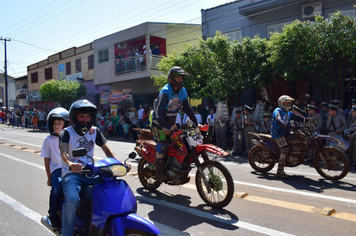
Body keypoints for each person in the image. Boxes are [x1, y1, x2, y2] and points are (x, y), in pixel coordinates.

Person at [59, 99, 128, 236]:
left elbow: (108, 152)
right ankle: (67, 233)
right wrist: (70, 164)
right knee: (72, 199)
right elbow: (63, 151)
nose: (85, 119)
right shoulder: (66, 132)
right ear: (75, 117)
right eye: (82, 116)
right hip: (72, 174)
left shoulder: (94, 131)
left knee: (111, 189)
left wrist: (121, 164)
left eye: (88, 116)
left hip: (91, 172)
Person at [152, 66, 197, 182]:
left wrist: (196, 122)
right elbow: (158, 110)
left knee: (181, 145)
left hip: (171, 125)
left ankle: (177, 170)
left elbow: (187, 107)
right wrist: (163, 126)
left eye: (181, 78)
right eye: (178, 77)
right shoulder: (166, 91)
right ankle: (159, 173)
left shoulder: (183, 91)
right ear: (172, 78)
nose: (180, 80)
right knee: (162, 146)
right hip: (159, 124)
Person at [40, 107, 69, 230]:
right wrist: (49, 177)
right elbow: (47, 159)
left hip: (69, 168)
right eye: (54, 123)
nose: (57, 126)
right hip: (57, 169)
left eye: (59, 123)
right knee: (56, 189)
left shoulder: (69, 137)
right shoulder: (48, 140)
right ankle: (52, 213)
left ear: (65, 124)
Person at [271, 95, 306, 179]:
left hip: (286, 132)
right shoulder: (278, 110)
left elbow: (297, 117)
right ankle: (279, 171)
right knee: (285, 149)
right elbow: (279, 119)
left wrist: (306, 119)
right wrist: (288, 126)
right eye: (285, 103)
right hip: (278, 133)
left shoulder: (288, 112)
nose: (287, 104)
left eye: (288, 103)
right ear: (281, 103)